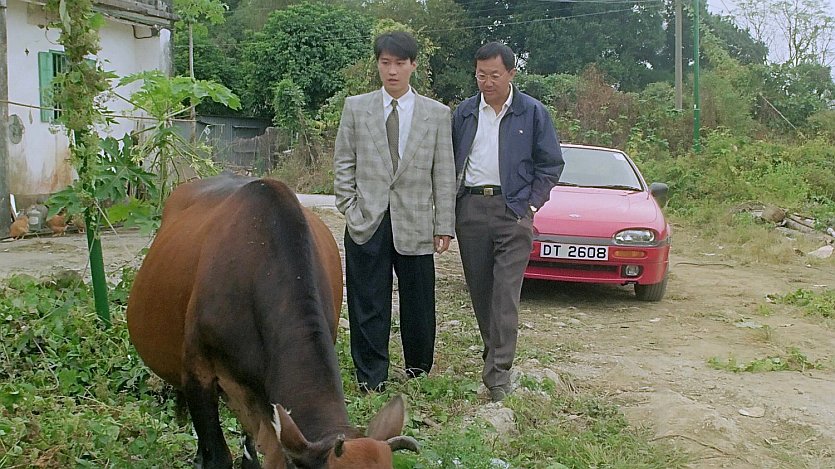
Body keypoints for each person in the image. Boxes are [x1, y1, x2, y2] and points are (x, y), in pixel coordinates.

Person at [333, 31, 456, 393]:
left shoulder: (436, 114)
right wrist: (350, 207)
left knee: (419, 301)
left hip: (416, 221)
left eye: (400, 63)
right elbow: (344, 162)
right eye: (385, 63)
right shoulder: (356, 108)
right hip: (367, 220)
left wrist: (443, 223)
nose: (392, 71)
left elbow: (444, 173)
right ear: (377, 64)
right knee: (368, 301)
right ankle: (371, 377)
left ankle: (418, 371)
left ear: (413, 65)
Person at [451, 42, 565, 402]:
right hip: (470, 210)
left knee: (505, 294)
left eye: (494, 75)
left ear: (511, 74)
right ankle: (495, 355)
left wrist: (530, 205)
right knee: (481, 293)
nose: (487, 83)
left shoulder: (532, 113)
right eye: (480, 75)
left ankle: (498, 374)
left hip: (512, 211)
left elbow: (551, 164)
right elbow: (449, 159)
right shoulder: (464, 113)